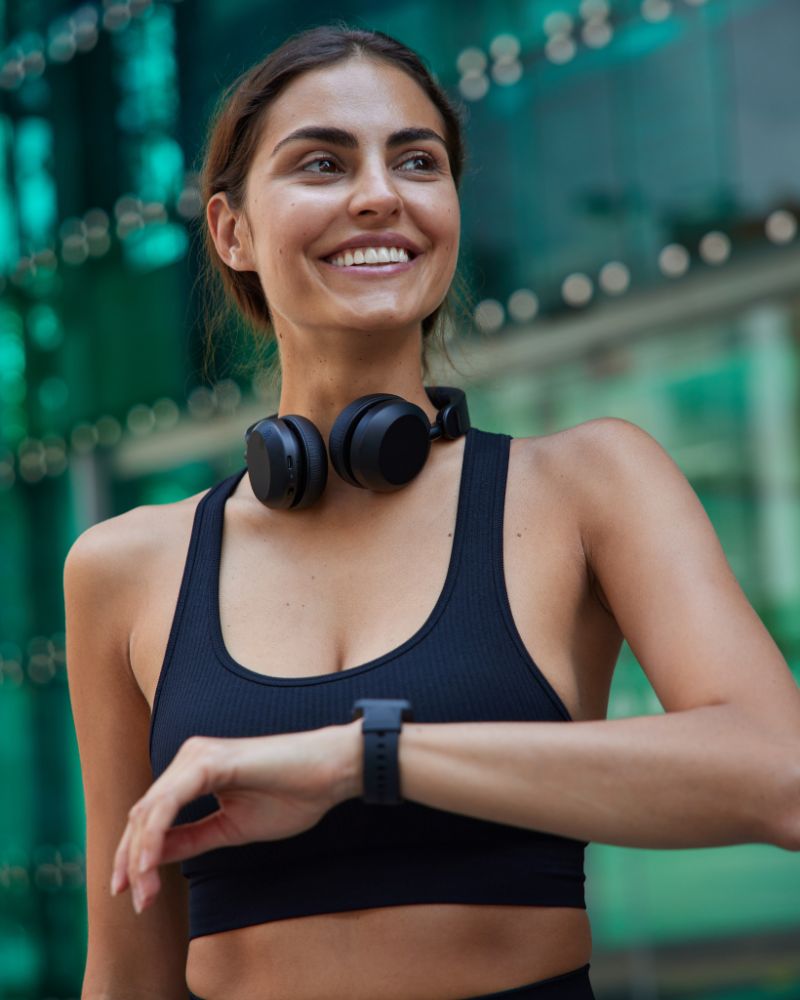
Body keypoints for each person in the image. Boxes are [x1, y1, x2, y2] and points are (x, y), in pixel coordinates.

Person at [63, 22, 800, 1000]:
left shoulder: (588, 482)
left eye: (416, 160)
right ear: (230, 230)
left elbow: (775, 771)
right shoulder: (122, 566)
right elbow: (126, 973)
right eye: (321, 162)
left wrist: (364, 756)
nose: (379, 193)